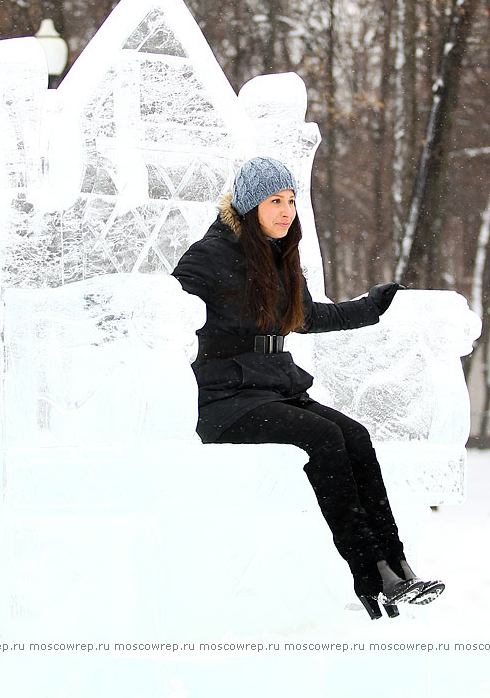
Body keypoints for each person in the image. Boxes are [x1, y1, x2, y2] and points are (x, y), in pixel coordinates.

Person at [172, 156, 444, 620]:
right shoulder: (209, 256)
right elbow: (165, 309)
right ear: (249, 204)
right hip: (224, 399)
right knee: (324, 436)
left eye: (292, 201)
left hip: (274, 387)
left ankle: (399, 566)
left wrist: (369, 308)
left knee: (354, 434)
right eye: (274, 201)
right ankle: (370, 571)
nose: (286, 211)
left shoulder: (279, 255)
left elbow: (307, 317)